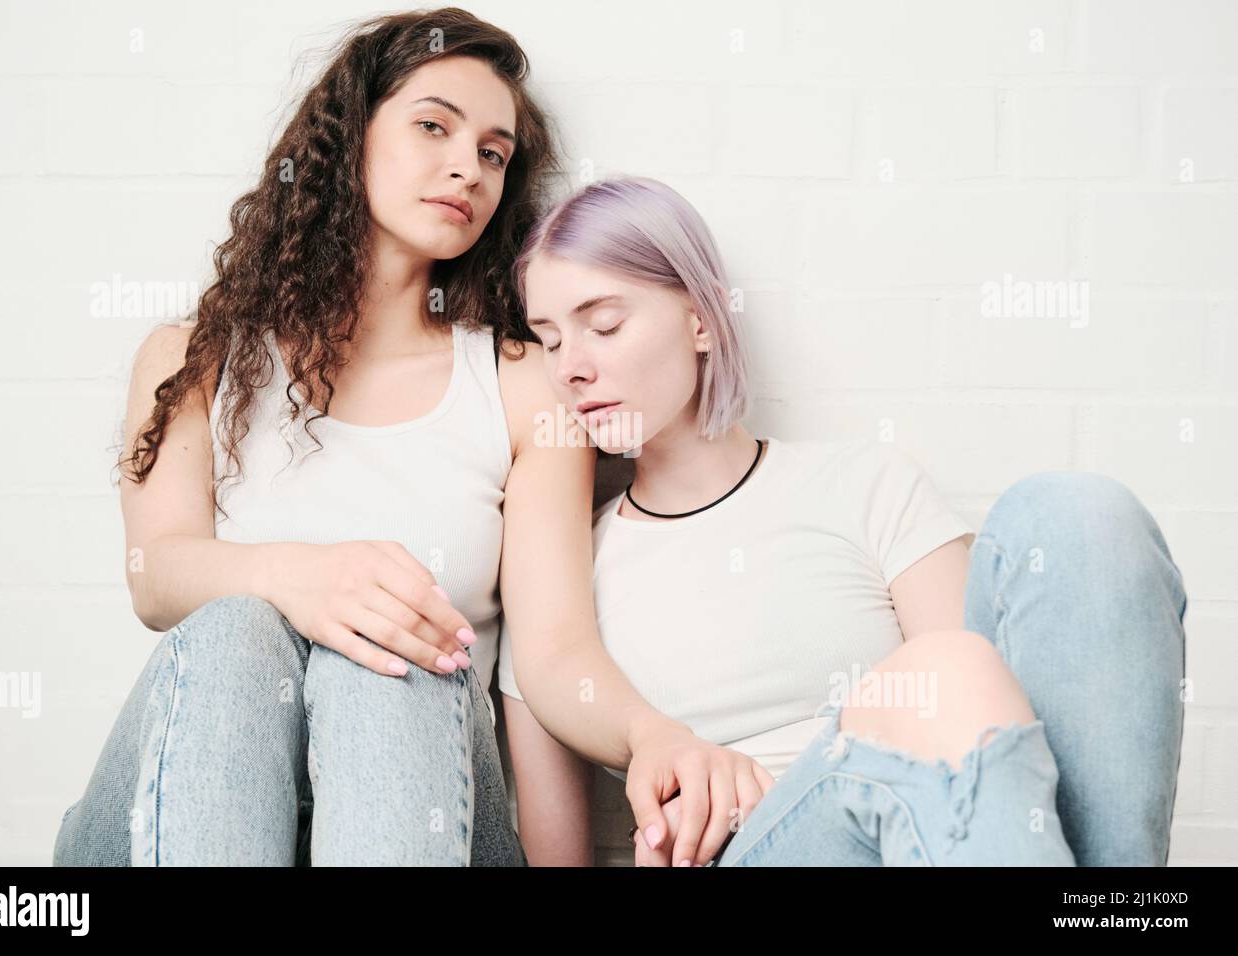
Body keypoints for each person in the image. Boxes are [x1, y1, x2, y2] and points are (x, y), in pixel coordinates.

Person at [53, 11, 766, 866]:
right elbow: (157, 576)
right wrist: (312, 579)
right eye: (434, 125)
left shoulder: (518, 382)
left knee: (398, 642)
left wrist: (653, 735)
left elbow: (554, 650)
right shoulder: (194, 358)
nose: (468, 166)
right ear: (350, 137)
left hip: (425, 805)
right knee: (233, 629)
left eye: (494, 153)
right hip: (181, 808)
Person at [498, 176, 1189, 866]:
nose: (570, 370)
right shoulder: (556, 586)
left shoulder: (865, 485)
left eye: (605, 324)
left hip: (934, 835)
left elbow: (984, 733)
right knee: (941, 675)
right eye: (550, 341)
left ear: (700, 319)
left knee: (1077, 516)